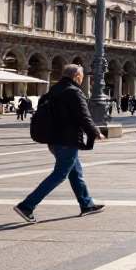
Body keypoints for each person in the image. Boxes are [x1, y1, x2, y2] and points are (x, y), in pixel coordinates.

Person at [13, 64, 104, 224]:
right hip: (66, 140)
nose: (82, 79)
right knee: (60, 174)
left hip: (54, 139)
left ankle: (86, 204)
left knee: (76, 172)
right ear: (77, 77)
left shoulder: (54, 91)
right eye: (82, 76)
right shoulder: (73, 92)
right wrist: (95, 132)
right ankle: (27, 206)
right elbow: (83, 116)